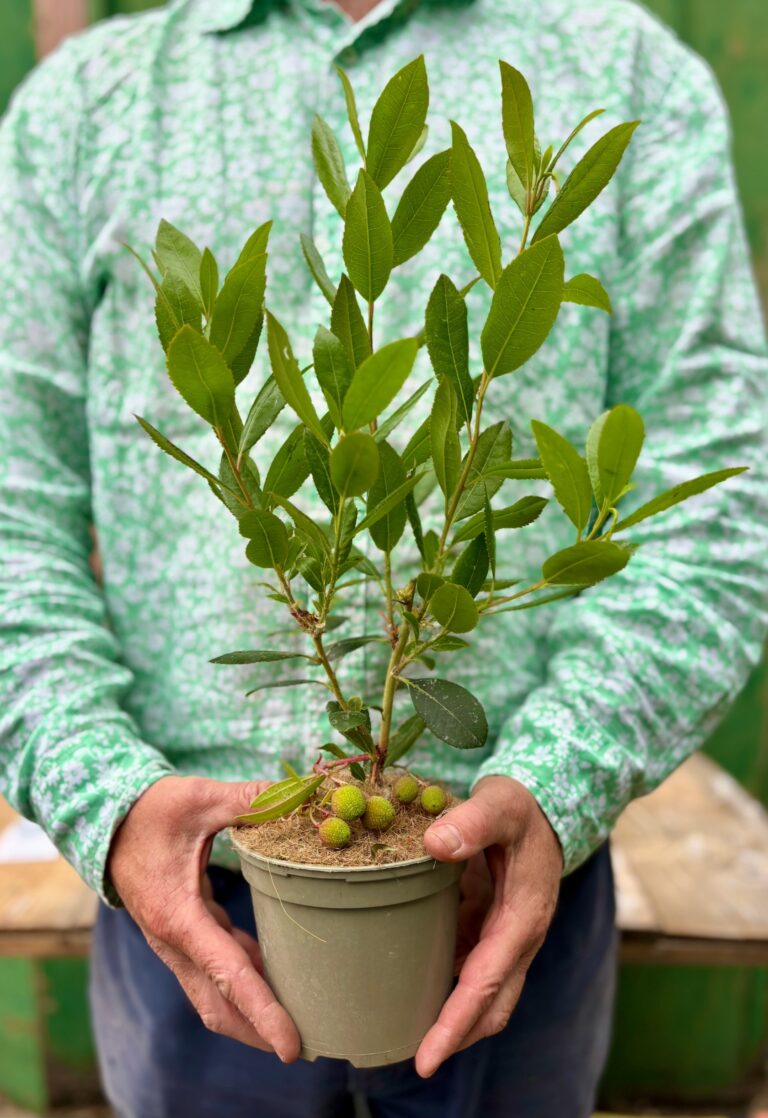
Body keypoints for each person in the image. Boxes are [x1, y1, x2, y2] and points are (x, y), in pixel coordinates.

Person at [1, 0, 766, 1114]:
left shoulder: (629, 75)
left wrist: (560, 777)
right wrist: (103, 798)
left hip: (518, 899)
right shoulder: (85, 107)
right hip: (184, 906)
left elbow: (715, 514)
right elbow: (11, 512)